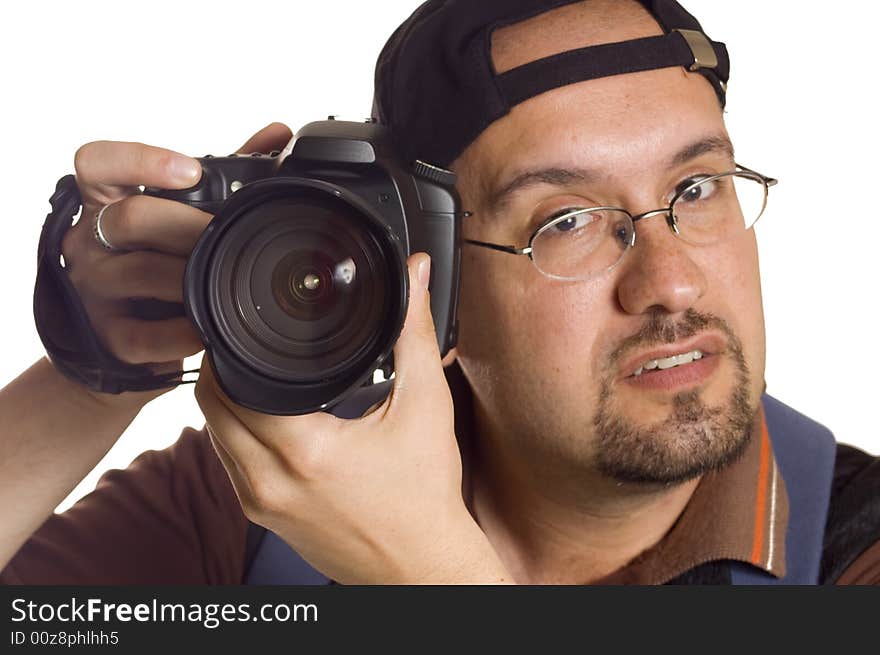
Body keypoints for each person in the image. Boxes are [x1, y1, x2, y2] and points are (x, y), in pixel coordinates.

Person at [1, 0, 878, 585]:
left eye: (696, 191)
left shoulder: (854, 546)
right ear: (438, 281)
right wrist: (92, 372)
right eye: (565, 220)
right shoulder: (281, 492)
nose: (671, 280)